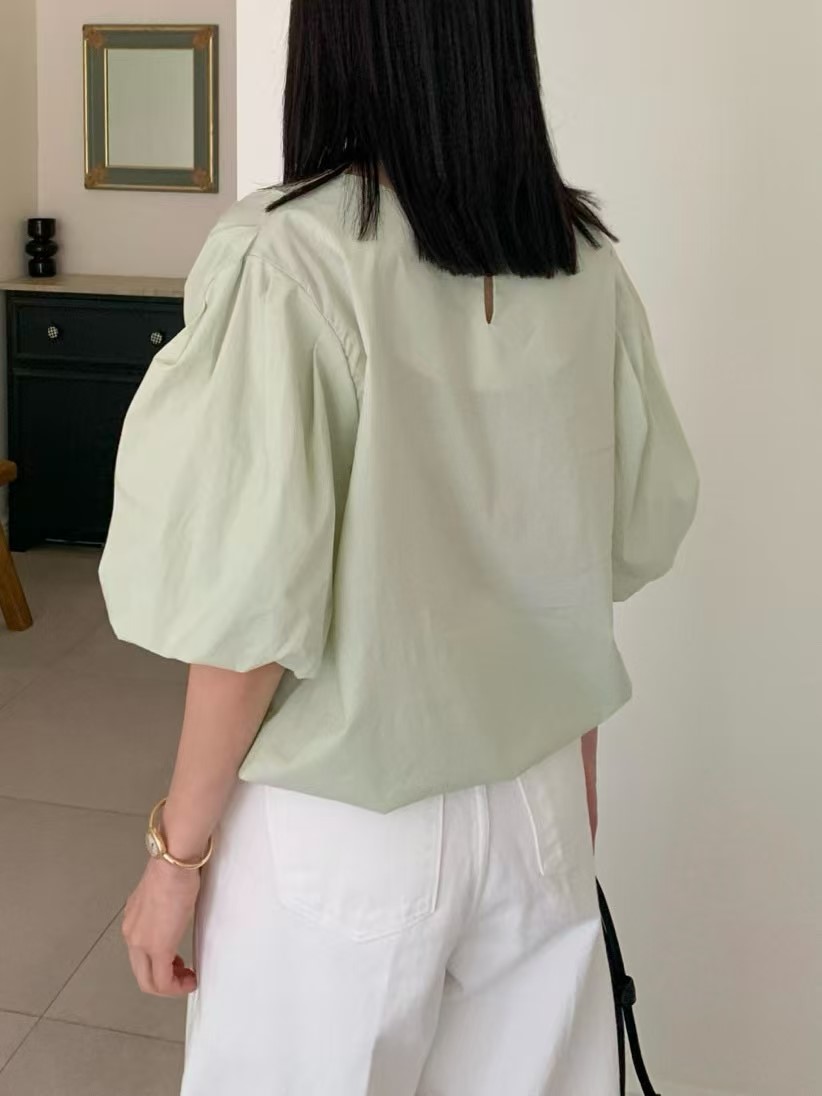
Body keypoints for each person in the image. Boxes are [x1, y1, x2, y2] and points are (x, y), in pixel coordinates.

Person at [98, 1, 699, 1093]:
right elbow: (585, 564)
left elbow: (250, 616)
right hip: (538, 807)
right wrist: (571, 801)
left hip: (344, 834)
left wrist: (175, 855)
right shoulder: (581, 258)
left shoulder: (291, 254)